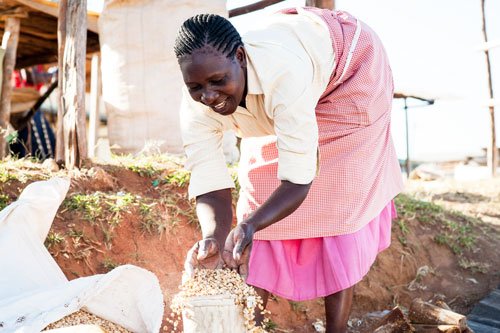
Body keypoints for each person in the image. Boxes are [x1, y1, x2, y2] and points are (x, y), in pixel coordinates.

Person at [174, 7, 404, 332]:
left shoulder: (283, 74)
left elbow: (298, 178)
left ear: (239, 57)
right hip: (296, 75)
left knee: (338, 200)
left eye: (217, 81)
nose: (208, 96)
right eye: (196, 87)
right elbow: (209, 180)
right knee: (259, 187)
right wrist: (215, 235)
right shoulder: (194, 105)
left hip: (349, 69)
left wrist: (250, 226)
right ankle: (253, 328)